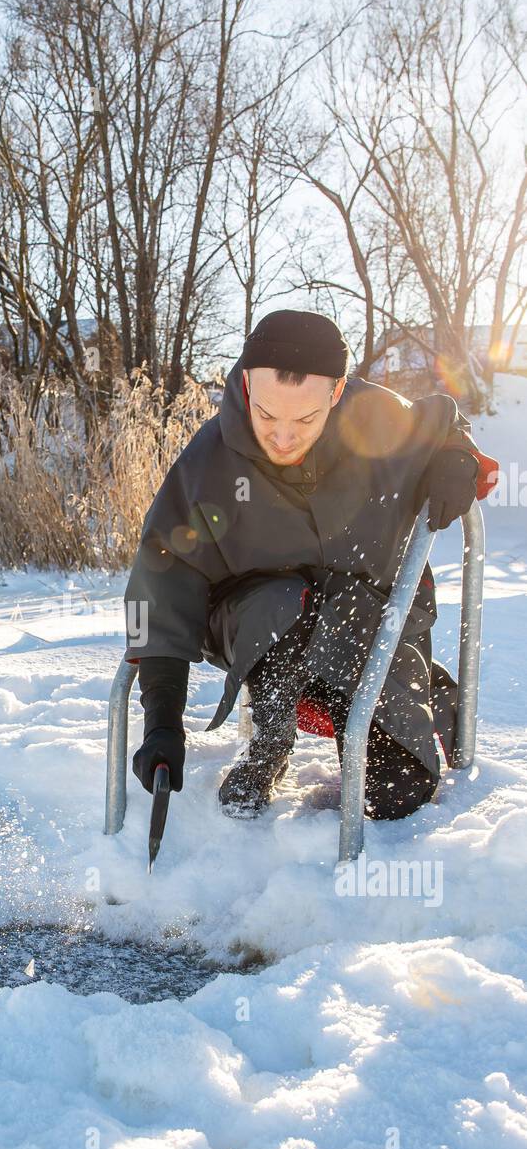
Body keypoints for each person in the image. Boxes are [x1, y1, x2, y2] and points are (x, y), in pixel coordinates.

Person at [123, 310, 499, 819]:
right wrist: (162, 720)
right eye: (267, 416)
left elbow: (444, 419)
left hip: (364, 621)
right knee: (282, 606)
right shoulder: (208, 464)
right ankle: (270, 741)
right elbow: (162, 580)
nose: (282, 438)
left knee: (396, 796)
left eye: (304, 420)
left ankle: (413, 687)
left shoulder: (379, 421)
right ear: (248, 389)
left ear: (337, 392)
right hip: (261, 621)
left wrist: (458, 456)